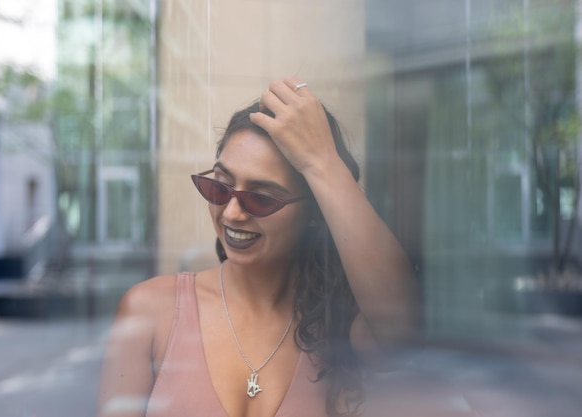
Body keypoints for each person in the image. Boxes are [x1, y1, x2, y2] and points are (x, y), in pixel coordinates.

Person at [97, 78, 417, 417]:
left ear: (312, 212)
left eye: (261, 199)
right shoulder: (150, 310)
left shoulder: (337, 326)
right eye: (220, 187)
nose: (232, 213)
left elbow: (401, 327)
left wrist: (322, 161)